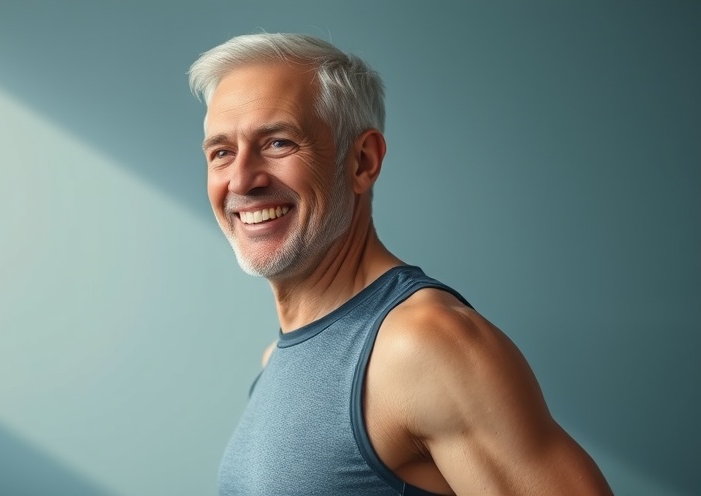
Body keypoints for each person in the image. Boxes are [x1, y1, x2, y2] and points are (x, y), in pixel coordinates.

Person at [188, 33, 613, 496]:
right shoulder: (276, 359)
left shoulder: (422, 345)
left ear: (362, 162)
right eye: (222, 153)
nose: (243, 179)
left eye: (278, 142)